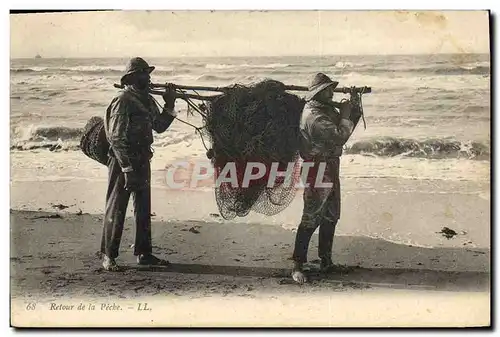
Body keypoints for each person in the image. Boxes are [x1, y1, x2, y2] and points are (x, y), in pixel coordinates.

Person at [100, 57, 178, 271]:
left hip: (143, 158)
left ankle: (144, 253)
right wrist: (127, 169)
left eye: (148, 73)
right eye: (144, 73)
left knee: (143, 208)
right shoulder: (123, 100)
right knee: (117, 207)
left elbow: (159, 126)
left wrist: (169, 103)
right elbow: (116, 138)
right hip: (122, 160)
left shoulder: (146, 99)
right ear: (133, 77)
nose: (149, 77)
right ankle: (108, 256)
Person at [291, 72, 362, 284]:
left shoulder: (325, 109)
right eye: (329, 89)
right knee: (311, 216)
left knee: (331, 214)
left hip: (330, 164)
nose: (332, 92)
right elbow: (340, 135)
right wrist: (346, 113)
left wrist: (353, 107)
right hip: (317, 168)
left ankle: (326, 260)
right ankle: (297, 264)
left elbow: (346, 125)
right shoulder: (313, 116)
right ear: (320, 93)